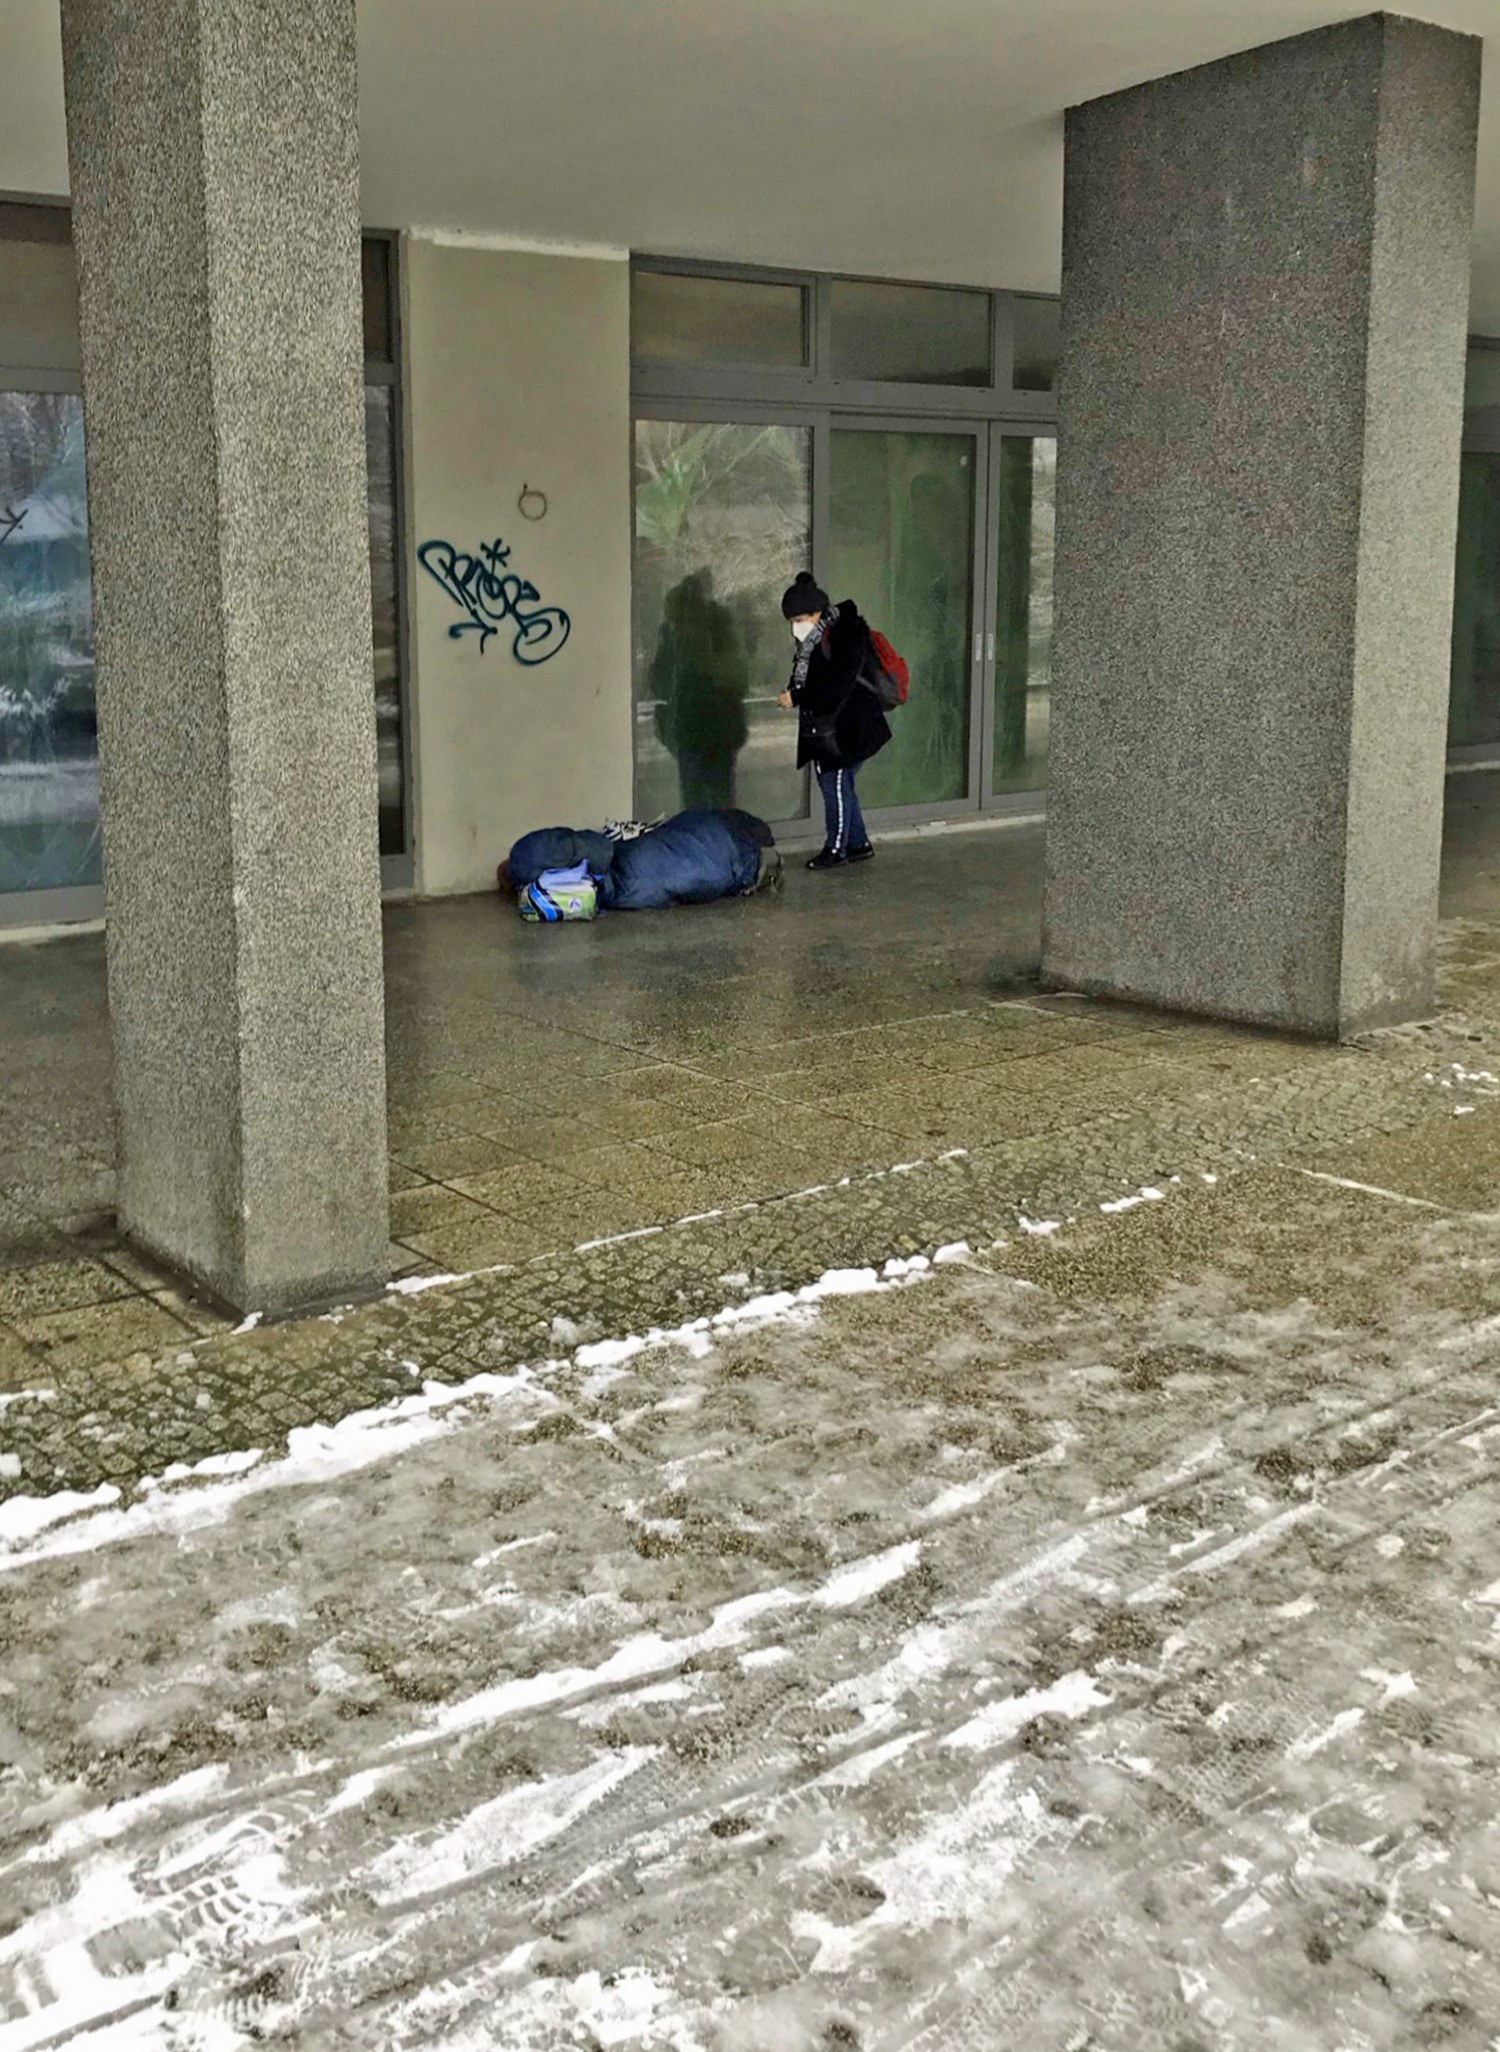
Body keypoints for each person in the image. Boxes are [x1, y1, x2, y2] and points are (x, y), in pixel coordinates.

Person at [776, 571, 890, 871]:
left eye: (799, 620)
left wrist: (797, 697)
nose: (795, 627)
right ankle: (859, 843)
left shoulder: (845, 633)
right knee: (842, 784)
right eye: (791, 622)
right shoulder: (816, 637)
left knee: (834, 784)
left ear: (816, 613)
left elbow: (837, 684)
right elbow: (812, 676)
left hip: (849, 728)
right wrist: (795, 691)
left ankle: (836, 849)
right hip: (836, 727)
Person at [648, 568, 750, 812]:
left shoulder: (684, 636)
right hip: (713, 728)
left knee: (698, 798)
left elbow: (659, 681)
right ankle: (720, 832)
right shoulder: (713, 631)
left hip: (699, 728)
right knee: (718, 797)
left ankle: (707, 832)